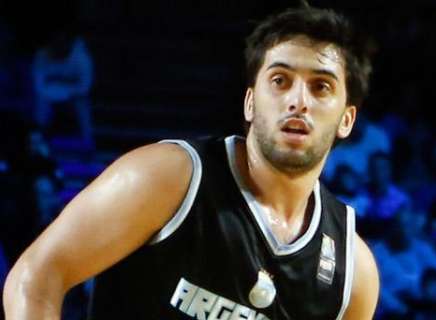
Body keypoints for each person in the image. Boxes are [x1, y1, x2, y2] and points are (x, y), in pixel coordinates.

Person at [3, 5, 380, 319]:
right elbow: (36, 277)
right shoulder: (168, 177)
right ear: (250, 102)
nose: (298, 100)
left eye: (321, 86)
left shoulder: (354, 275)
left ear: (347, 119)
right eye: (280, 80)